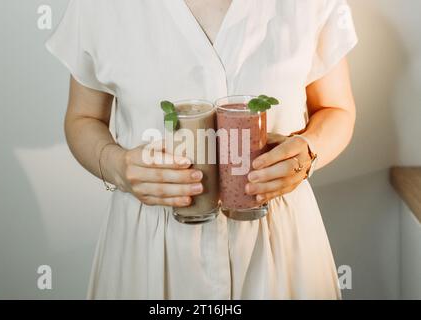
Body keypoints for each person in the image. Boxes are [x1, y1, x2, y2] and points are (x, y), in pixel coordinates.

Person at [46, 0, 358, 299]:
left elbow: (335, 108)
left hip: (281, 244)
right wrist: (118, 167)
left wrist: (307, 152)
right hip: (149, 247)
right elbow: (83, 117)